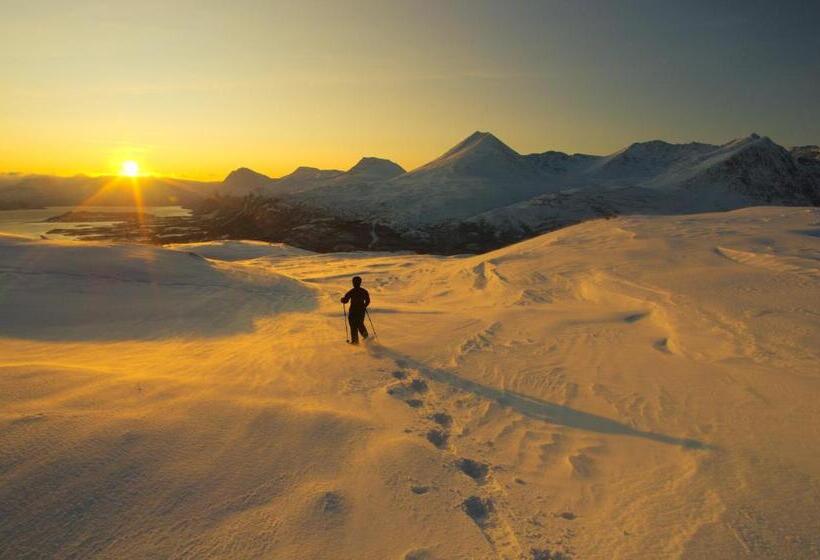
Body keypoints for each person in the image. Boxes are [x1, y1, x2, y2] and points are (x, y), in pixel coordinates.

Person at [341, 276, 370, 344]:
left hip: (353, 312)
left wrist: (342, 300)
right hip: (361, 311)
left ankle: (355, 341)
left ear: (353, 283)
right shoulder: (364, 291)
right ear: (360, 282)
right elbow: (368, 301)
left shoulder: (352, 291)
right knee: (360, 323)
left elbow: (345, 300)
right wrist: (364, 306)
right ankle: (366, 337)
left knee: (353, 325)